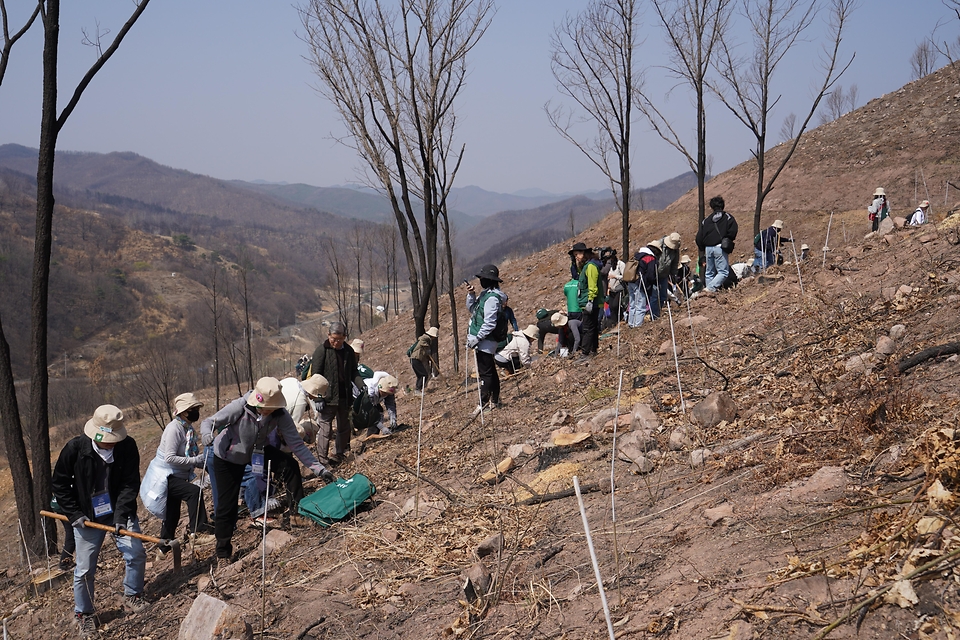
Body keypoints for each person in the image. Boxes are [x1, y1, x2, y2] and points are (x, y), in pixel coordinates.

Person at [202, 377, 333, 563]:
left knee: (290, 466)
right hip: (227, 457)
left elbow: (296, 444)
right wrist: (207, 434)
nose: (269, 411)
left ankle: (297, 514)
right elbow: (209, 422)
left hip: (256, 451)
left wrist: (319, 470)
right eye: (267, 408)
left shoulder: (280, 414)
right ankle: (223, 551)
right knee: (227, 506)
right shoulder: (240, 407)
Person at [52, 405, 149, 637]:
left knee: (136, 553)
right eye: (107, 439)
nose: (111, 443)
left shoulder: (127, 447)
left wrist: (121, 514)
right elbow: (60, 485)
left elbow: (130, 483)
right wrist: (75, 514)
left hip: (118, 511)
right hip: (87, 515)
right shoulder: (74, 449)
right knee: (84, 568)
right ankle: (84, 613)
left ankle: (133, 594)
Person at [152, 393, 215, 557]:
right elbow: (170, 457)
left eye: (196, 409)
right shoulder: (174, 429)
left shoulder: (187, 428)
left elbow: (189, 456)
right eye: (193, 409)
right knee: (194, 493)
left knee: (172, 513)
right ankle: (197, 532)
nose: (196, 412)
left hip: (176, 475)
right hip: (166, 475)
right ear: (184, 411)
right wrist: (196, 460)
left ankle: (163, 548)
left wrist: (206, 464)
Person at [310, 323, 364, 466]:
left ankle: (338, 454)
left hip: (344, 395)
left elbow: (354, 371)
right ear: (328, 335)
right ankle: (322, 459)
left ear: (344, 337)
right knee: (325, 429)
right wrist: (318, 397)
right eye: (333, 338)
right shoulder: (322, 351)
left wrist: (361, 385)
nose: (335, 342)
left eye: (339, 339)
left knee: (344, 426)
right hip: (327, 398)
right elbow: (315, 376)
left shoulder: (348, 351)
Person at [466, 263, 508, 411]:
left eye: (483, 278)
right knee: (490, 371)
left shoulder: (492, 299)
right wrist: (471, 295)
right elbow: (473, 309)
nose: (481, 280)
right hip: (483, 340)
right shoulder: (485, 295)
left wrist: (477, 338)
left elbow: (489, 323)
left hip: (486, 341)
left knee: (485, 374)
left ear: (490, 279)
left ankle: (483, 403)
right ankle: (494, 400)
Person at [695, 196, 738, 292]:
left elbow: (698, 237)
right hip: (720, 247)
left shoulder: (706, 220)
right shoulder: (728, 217)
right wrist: (728, 239)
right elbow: (733, 230)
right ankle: (710, 289)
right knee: (723, 272)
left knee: (709, 272)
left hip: (708, 248)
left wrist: (702, 247)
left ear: (711, 207)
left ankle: (709, 294)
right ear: (723, 205)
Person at [569, 242, 605, 358]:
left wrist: (590, 300)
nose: (577, 257)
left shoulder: (590, 267)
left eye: (577, 254)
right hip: (591, 302)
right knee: (593, 327)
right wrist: (574, 263)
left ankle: (585, 353)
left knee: (587, 327)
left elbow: (592, 285)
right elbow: (577, 275)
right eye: (575, 255)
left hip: (590, 302)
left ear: (584, 253)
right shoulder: (586, 266)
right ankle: (593, 350)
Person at [627, 240, 662, 327]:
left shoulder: (638, 255)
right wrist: (651, 284)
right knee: (640, 305)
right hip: (639, 283)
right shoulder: (650, 258)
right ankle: (637, 325)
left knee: (632, 304)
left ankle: (631, 323)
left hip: (631, 281)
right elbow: (650, 275)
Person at [356, 371, 399, 438]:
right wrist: (382, 427)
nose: (386, 395)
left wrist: (393, 419)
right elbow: (369, 412)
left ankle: (373, 435)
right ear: (380, 388)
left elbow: (391, 404)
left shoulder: (388, 390)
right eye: (384, 393)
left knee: (379, 411)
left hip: (371, 402)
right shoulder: (369, 390)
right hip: (356, 399)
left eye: (388, 394)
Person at [407, 326, 439, 393]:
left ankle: (418, 389)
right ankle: (418, 389)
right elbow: (423, 343)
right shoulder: (425, 338)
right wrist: (428, 349)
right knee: (424, 375)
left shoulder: (426, 339)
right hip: (415, 359)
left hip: (415, 359)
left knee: (420, 375)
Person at [599, 247, 625, 330]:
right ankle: (613, 324)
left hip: (619, 288)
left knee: (615, 305)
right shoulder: (608, 266)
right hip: (611, 290)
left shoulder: (620, 264)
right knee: (611, 307)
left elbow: (624, 276)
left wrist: (615, 276)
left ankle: (621, 319)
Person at [562, 277, 583, 356]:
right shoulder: (579, 284)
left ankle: (570, 348)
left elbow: (566, 294)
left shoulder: (566, 285)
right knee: (577, 330)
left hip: (570, 310)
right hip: (578, 309)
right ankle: (577, 347)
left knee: (571, 331)